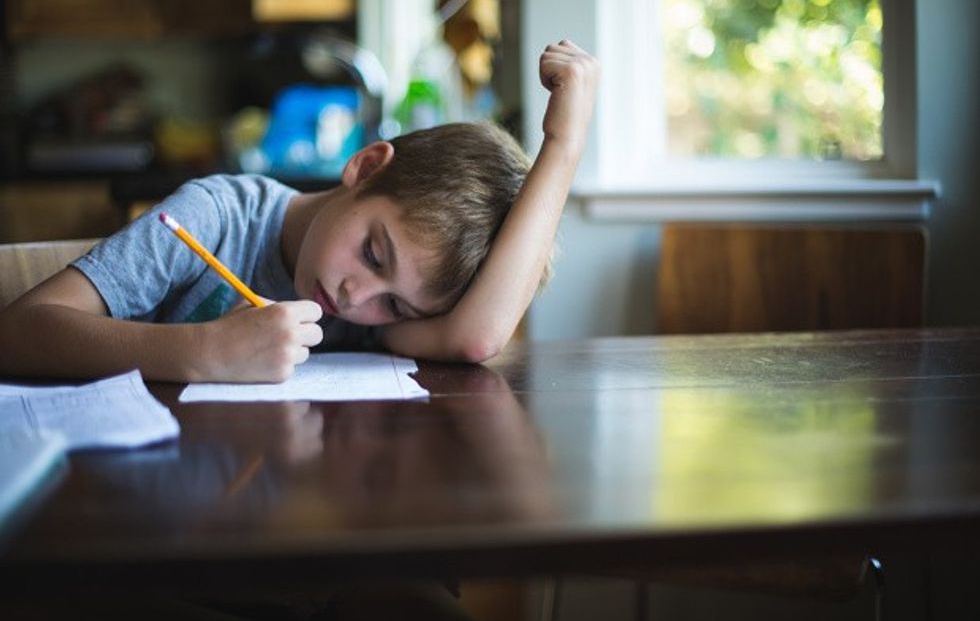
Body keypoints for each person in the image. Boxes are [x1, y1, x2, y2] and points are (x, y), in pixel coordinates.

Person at [0, 40, 598, 383]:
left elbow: (477, 337)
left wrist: (564, 148)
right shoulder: (217, 216)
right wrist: (204, 352)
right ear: (364, 168)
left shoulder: (368, 310)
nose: (357, 297)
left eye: (396, 305)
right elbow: (19, 332)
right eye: (372, 251)